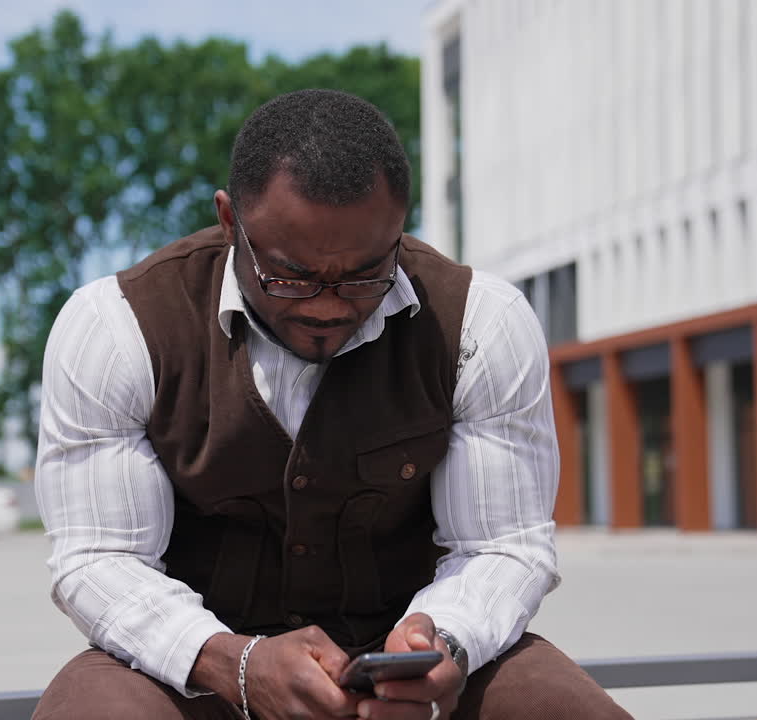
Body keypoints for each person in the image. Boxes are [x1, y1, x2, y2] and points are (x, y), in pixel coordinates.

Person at [32, 89, 630, 720]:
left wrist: (441, 644)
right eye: (290, 277)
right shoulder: (116, 327)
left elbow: (503, 545)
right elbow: (100, 558)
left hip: (409, 670)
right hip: (195, 670)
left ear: (400, 225)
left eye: (367, 275)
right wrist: (231, 662)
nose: (328, 305)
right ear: (231, 221)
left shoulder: (483, 323)